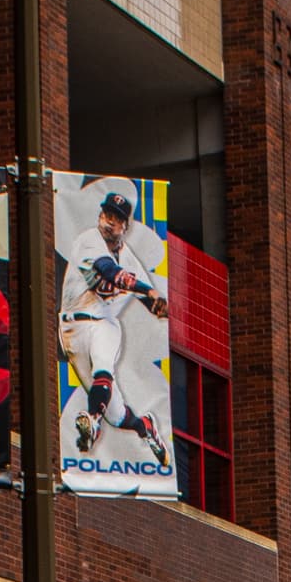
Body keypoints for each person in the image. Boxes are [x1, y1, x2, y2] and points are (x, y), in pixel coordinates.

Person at [59, 185, 168, 461]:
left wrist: (157, 305)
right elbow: (110, 271)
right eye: (107, 215)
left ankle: (92, 422)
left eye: (116, 218)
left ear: (125, 226)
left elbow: (146, 297)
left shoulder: (130, 258)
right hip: (72, 329)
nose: (109, 222)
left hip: (104, 324)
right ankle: (145, 427)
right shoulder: (88, 241)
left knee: (104, 366)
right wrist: (149, 291)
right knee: (117, 416)